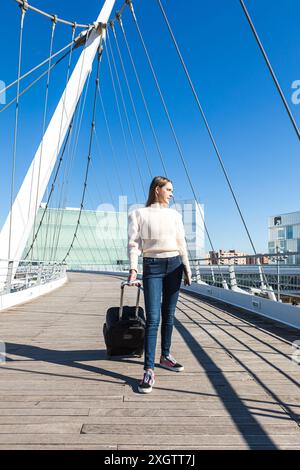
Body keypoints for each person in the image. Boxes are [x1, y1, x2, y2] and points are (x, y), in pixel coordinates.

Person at [127, 176, 192, 394]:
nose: (172, 193)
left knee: (169, 315)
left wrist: (187, 268)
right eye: (169, 189)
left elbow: (181, 242)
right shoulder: (138, 213)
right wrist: (133, 269)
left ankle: (165, 356)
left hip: (174, 265)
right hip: (152, 266)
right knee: (153, 318)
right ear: (157, 189)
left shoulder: (174, 215)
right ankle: (149, 369)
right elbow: (134, 244)